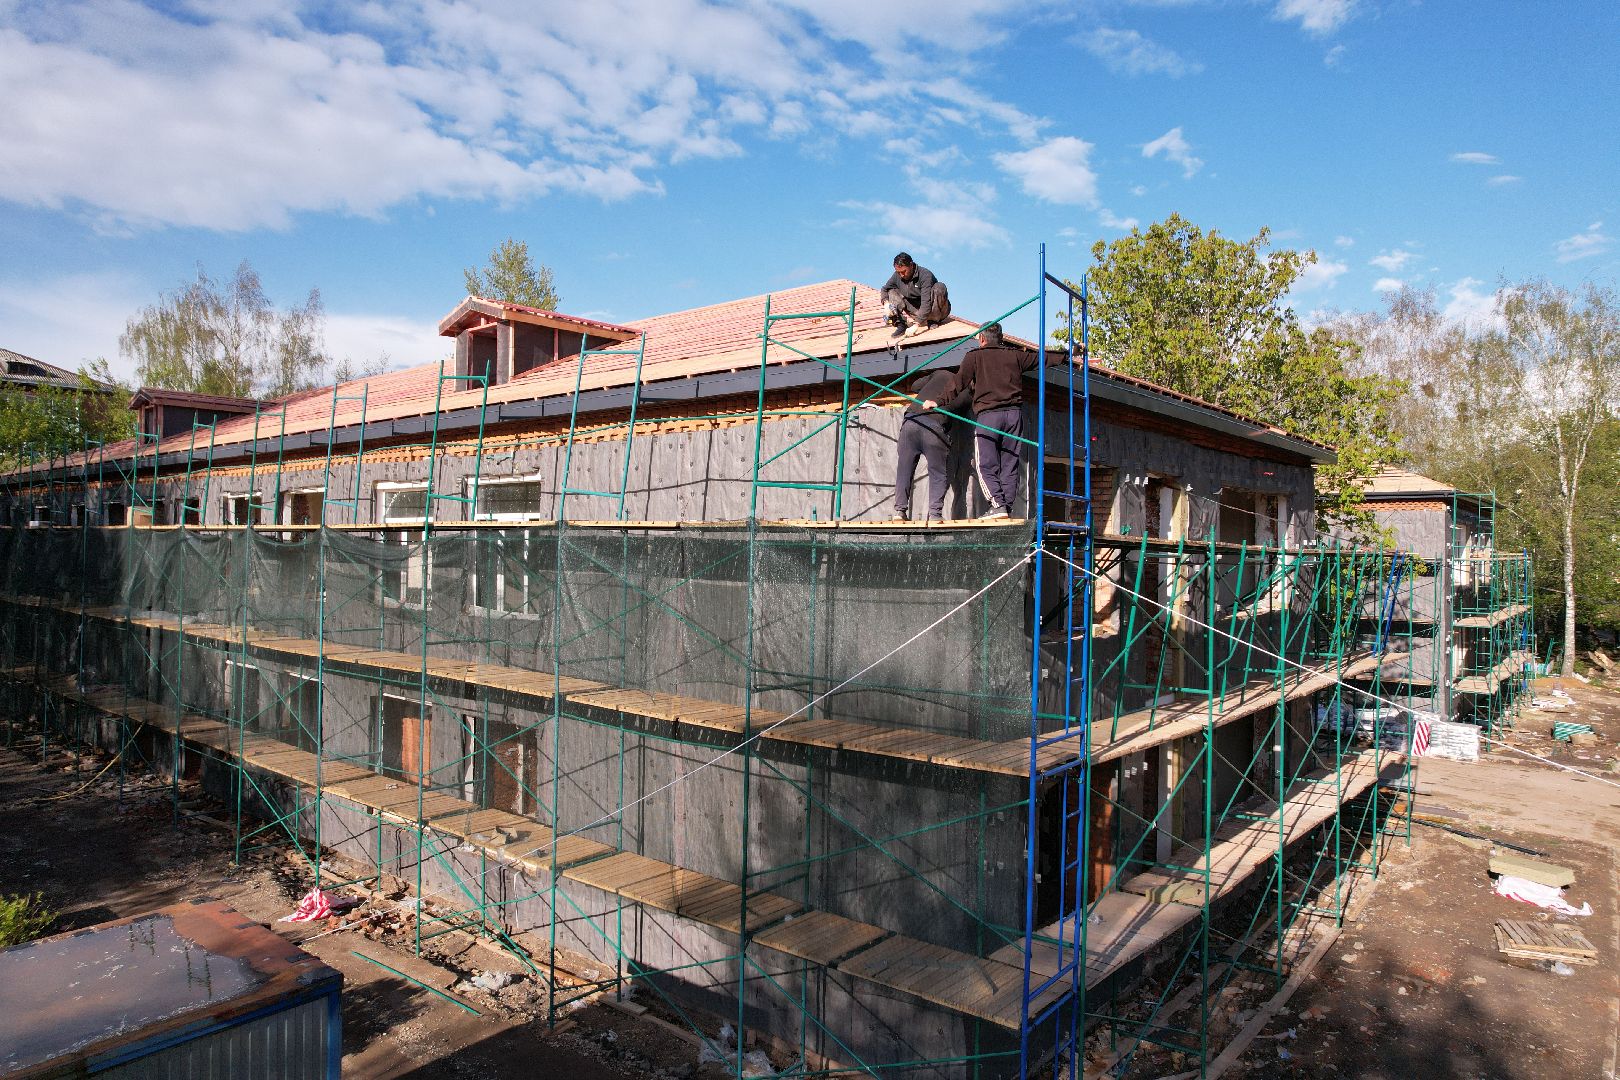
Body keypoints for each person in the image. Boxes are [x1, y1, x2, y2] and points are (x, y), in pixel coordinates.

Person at [924, 322, 1041, 519]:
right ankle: (1005, 508)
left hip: (989, 417)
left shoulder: (975, 356)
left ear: (982, 338)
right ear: (1001, 338)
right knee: (1010, 464)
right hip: (1014, 416)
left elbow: (958, 382)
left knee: (985, 464)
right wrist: (1068, 354)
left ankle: (998, 505)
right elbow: (1042, 358)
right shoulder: (1015, 355)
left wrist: (938, 401)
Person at [894, 367, 970, 523]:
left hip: (911, 421)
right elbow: (960, 409)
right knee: (938, 472)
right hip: (935, 426)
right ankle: (935, 514)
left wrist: (930, 383)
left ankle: (899, 512)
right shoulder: (966, 389)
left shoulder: (940, 373)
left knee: (904, 469)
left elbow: (915, 386)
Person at [881, 253, 951, 338]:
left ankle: (932, 320)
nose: (901, 275)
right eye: (898, 272)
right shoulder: (897, 275)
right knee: (892, 291)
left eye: (903, 272)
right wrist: (886, 303)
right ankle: (901, 324)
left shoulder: (925, 275)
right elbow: (884, 289)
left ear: (911, 265)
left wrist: (916, 324)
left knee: (940, 287)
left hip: (936, 311)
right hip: (917, 312)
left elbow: (926, 302)